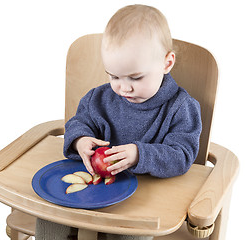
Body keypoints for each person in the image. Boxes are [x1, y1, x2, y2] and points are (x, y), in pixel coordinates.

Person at [36, 4, 202, 240]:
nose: (123, 88)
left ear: (167, 63)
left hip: (144, 200)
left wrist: (139, 155)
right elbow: (78, 122)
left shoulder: (181, 108)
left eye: (136, 77)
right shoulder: (99, 99)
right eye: (114, 76)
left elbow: (183, 156)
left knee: (131, 232)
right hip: (93, 187)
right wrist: (80, 141)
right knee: (48, 214)